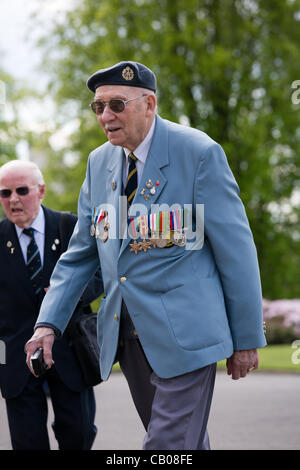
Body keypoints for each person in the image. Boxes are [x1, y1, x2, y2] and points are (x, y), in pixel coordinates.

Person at [25, 61, 266, 450]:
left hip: (189, 333)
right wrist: (47, 324)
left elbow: (236, 251)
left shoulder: (198, 152)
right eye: (98, 107)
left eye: (116, 105)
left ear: (149, 103)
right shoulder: (99, 161)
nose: (106, 116)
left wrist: (247, 337)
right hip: (129, 334)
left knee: (165, 445)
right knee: (184, 444)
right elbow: (81, 253)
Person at [0, 160, 103, 450]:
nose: (14, 200)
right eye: (5, 193)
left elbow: (103, 272)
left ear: (41, 190)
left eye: (21, 190)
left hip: (70, 352)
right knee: (27, 441)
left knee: (79, 435)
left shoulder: (70, 226)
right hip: (17, 361)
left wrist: (70, 293)